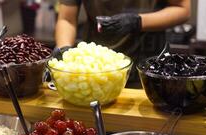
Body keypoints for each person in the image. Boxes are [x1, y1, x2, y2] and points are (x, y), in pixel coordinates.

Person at [54, 0, 191, 85]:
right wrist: (64, 50)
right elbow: (66, 19)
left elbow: (182, 9)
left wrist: (137, 22)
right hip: (94, 72)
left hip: (147, 69)